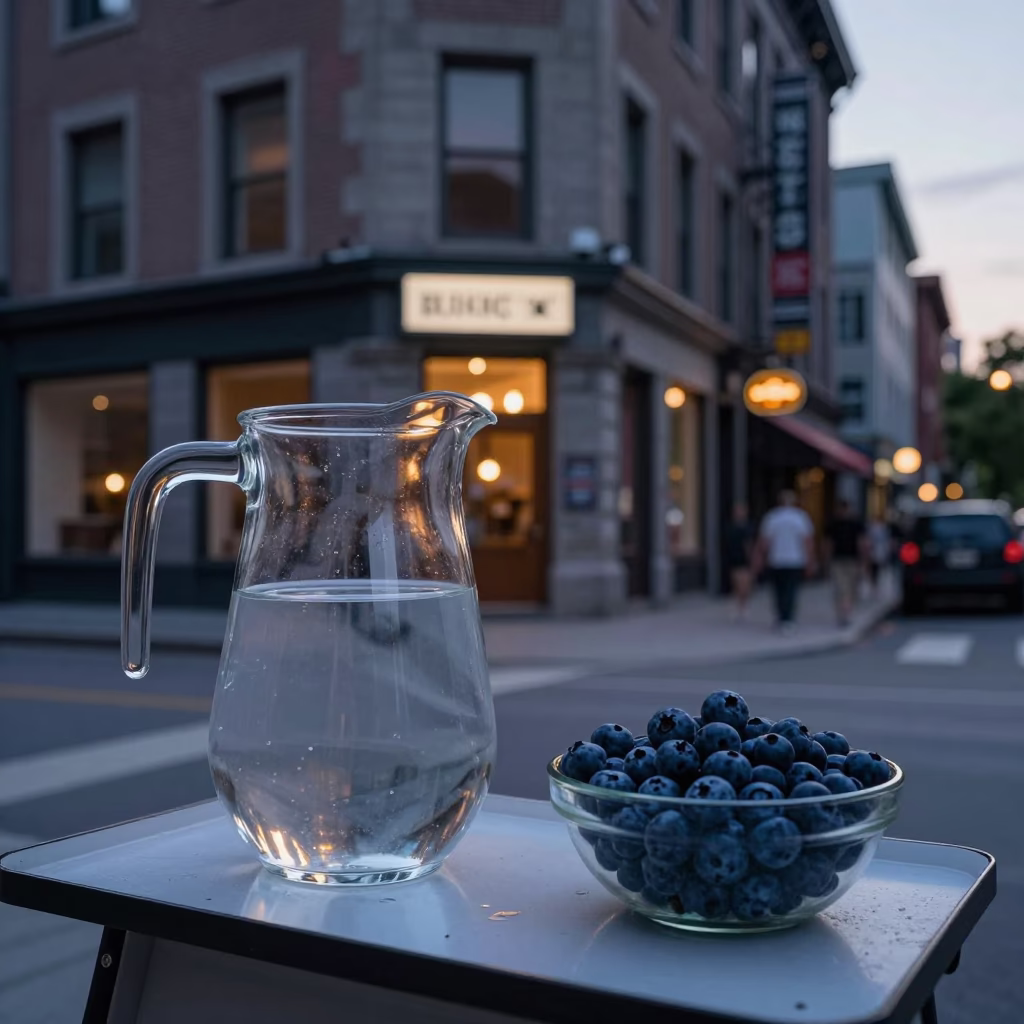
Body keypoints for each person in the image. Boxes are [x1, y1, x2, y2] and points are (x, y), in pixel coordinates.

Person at [754, 489, 816, 633]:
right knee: (791, 590)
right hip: (795, 559)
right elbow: (807, 541)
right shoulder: (800, 517)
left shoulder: (772, 518)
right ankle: (788, 618)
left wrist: (760, 558)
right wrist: (810, 560)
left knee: (778, 590)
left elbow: (765, 541)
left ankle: (781, 616)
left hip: (777, 559)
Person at [825, 500, 867, 627]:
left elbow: (862, 543)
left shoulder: (855, 524)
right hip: (838, 560)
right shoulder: (833, 524)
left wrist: (863, 560)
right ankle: (844, 613)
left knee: (851, 588)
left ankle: (845, 611)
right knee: (842, 588)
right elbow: (828, 544)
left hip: (852, 559)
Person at [724, 502, 756, 620]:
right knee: (736, 582)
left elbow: (749, 544)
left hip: (744, 559)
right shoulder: (731, 527)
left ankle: (743, 605)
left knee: (745, 583)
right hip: (734, 558)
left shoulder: (747, 528)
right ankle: (739, 604)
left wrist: (751, 558)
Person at [867, 514, 892, 592]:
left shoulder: (884, 528)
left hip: (881, 551)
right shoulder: (871, 527)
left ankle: (877, 584)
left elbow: (887, 540)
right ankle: (874, 584)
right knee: (874, 569)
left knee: (879, 569)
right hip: (873, 551)